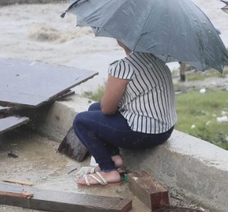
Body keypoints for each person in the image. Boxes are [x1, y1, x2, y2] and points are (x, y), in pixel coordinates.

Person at [73, 40, 177, 186]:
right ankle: (114, 158)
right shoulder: (157, 60)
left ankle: (108, 170)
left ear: (121, 39)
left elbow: (108, 109)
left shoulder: (123, 66)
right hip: (165, 130)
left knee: (81, 121)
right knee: (93, 110)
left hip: (143, 134)